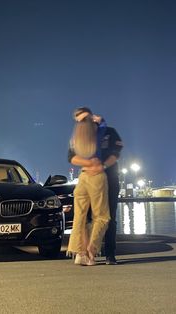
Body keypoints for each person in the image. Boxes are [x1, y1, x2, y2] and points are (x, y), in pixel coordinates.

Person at [68, 107, 123, 265]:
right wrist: (97, 165)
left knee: (82, 217)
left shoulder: (79, 135)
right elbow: (72, 156)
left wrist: (87, 164)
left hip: (90, 176)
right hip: (98, 177)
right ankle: (91, 250)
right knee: (103, 217)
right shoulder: (96, 132)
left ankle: (85, 252)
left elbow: (115, 152)